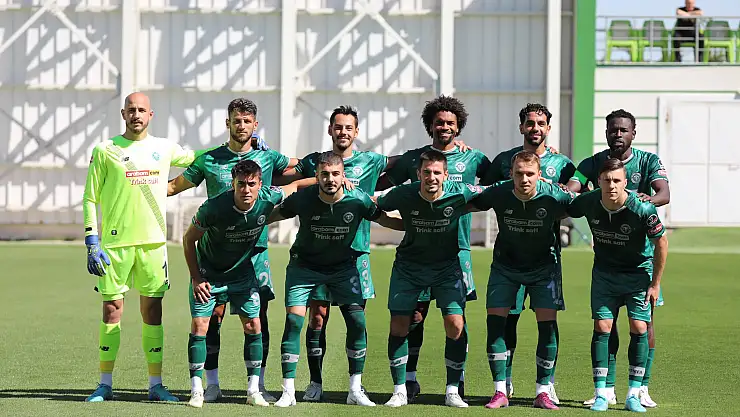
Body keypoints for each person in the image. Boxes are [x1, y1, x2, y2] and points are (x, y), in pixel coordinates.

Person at [273, 104, 472, 401]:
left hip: (356, 255)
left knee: (357, 319)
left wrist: (451, 149)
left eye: (348, 127)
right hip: (315, 256)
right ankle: (315, 382)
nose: (343, 132)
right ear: (330, 130)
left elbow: (407, 160)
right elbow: (282, 176)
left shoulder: (371, 160)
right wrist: (313, 178)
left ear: (356, 131)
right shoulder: (316, 161)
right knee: (317, 318)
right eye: (338, 127)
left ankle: (357, 385)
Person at [168, 98, 303, 402]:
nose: (241, 126)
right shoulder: (209, 160)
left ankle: (258, 384)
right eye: (236, 120)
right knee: (212, 317)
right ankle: (211, 384)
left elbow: (303, 168)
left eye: (247, 121)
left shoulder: (268, 157)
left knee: (258, 317)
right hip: (215, 252)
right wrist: (136, 182)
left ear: (255, 125)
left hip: (255, 253)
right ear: (227, 123)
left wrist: (339, 170)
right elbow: (172, 187)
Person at [83, 92, 210, 403]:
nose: (136, 114)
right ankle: (105, 384)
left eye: (141, 110)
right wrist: (91, 240)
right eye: (131, 110)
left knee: (153, 311)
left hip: (153, 244)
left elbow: (195, 157)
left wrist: (236, 145)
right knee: (112, 310)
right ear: (123, 114)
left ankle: (155, 385)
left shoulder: (163, 148)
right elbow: (90, 197)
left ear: (150, 115)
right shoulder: (105, 150)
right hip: (115, 245)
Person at [267, 151, 403, 407]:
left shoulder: (358, 199)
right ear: (316, 176)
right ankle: (288, 391)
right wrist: (244, 219)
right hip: (304, 268)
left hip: (343, 268)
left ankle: (355, 389)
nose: (330, 179)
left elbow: (384, 219)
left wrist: (416, 224)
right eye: (325, 174)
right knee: (294, 322)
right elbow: (272, 215)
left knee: (357, 321)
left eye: (335, 174)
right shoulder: (303, 198)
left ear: (344, 176)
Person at [378, 95, 491, 401]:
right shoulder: (415, 158)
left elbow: (504, 182)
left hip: (457, 250)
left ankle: (457, 382)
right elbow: (382, 183)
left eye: (450, 123)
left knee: (455, 317)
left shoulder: (474, 158)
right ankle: (408, 381)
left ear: (459, 126)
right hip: (417, 251)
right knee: (414, 315)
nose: (444, 127)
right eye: (439, 122)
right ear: (430, 125)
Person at [568, 109, 669, 408]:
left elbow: (663, 193)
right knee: (604, 325)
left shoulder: (648, 161)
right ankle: (607, 389)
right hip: (607, 264)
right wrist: (588, 195)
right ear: (606, 132)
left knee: (644, 325)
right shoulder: (593, 163)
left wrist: (638, 201)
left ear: (633, 133)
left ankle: (641, 387)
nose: (618, 134)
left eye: (624, 130)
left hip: (641, 261)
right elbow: (572, 188)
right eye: (613, 130)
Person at [183, 159, 297, 408]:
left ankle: (253, 390)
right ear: (233, 184)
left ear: (260, 185)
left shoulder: (268, 197)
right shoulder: (213, 207)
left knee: (254, 324)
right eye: (241, 184)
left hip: (242, 275)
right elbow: (188, 239)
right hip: (209, 275)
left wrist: (332, 179)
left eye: (251, 184)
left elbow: (296, 186)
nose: (246, 189)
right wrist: (196, 278)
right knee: (201, 325)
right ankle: (198, 390)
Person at [481, 103, 576, 403]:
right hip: (507, 257)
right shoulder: (503, 161)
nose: (535, 128)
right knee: (506, 320)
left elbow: (576, 198)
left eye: (541, 124)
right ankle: (504, 382)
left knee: (547, 323)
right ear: (521, 127)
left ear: (548, 128)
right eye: (530, 123)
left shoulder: (563, 164)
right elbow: (481, 190)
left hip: (545, 258)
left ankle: (546, 386)